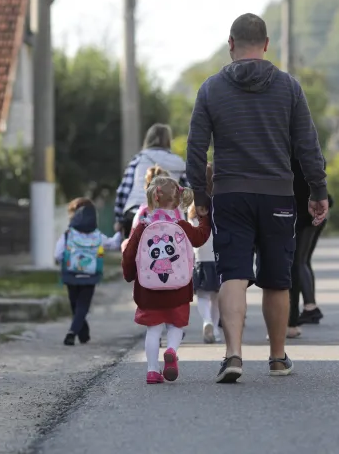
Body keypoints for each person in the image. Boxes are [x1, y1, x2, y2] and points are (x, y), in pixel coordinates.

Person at [186, 13, 328, 383]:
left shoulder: (211, 89)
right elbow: (307, 145)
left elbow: (196, 149)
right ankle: (278, 357)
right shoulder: (289, 87)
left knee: (232, 274)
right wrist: (317, 190)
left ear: (231, 43)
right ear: (266, 45)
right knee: (277, 280)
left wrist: (200, 195)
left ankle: (233, 354)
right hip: (278, 196)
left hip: (231, 195)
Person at [121, 176, 211, 384]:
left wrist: (129, 275)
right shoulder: (181, 225)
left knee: (153, 330)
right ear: (178, 200)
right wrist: (205, 219)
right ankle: (171, 350)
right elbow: (200, 238)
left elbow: (129, 255)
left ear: (152, 199)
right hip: (178, 288)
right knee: (175, 326)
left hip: (149, 289)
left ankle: (152, 371)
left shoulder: (143, 226)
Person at [54, 198, 123, 346]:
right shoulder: (97, 235)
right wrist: (119, 232)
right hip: (90, 275)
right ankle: (81, 333)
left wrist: (63, 262)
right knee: (83, 305)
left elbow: (58, 254)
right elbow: (113, 244)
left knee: (75, 305)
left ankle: (73, 332)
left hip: (71, 274)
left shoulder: (68, 234)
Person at [115, 123, 188, 239]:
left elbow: (123, 190)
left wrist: (119, 219)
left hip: (135, 213)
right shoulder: (179, 162)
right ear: (168, 140)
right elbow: (187, 191)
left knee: (134, 254)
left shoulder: (138, 159)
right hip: (168, 217)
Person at [288, 158, 333, 337]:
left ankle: (306, 309)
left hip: (304, 213)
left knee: (298, 262)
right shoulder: (306, 150)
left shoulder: (291, 150)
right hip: (310, 209)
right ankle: (309, 306)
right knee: (302, 261)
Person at [189, 163, 221, 344]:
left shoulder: (193, 208)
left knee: (202, 296)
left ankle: (206, 321)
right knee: (216, 298)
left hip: (200, 258)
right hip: (217, 257)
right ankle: (215, 329)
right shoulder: (219, 203)